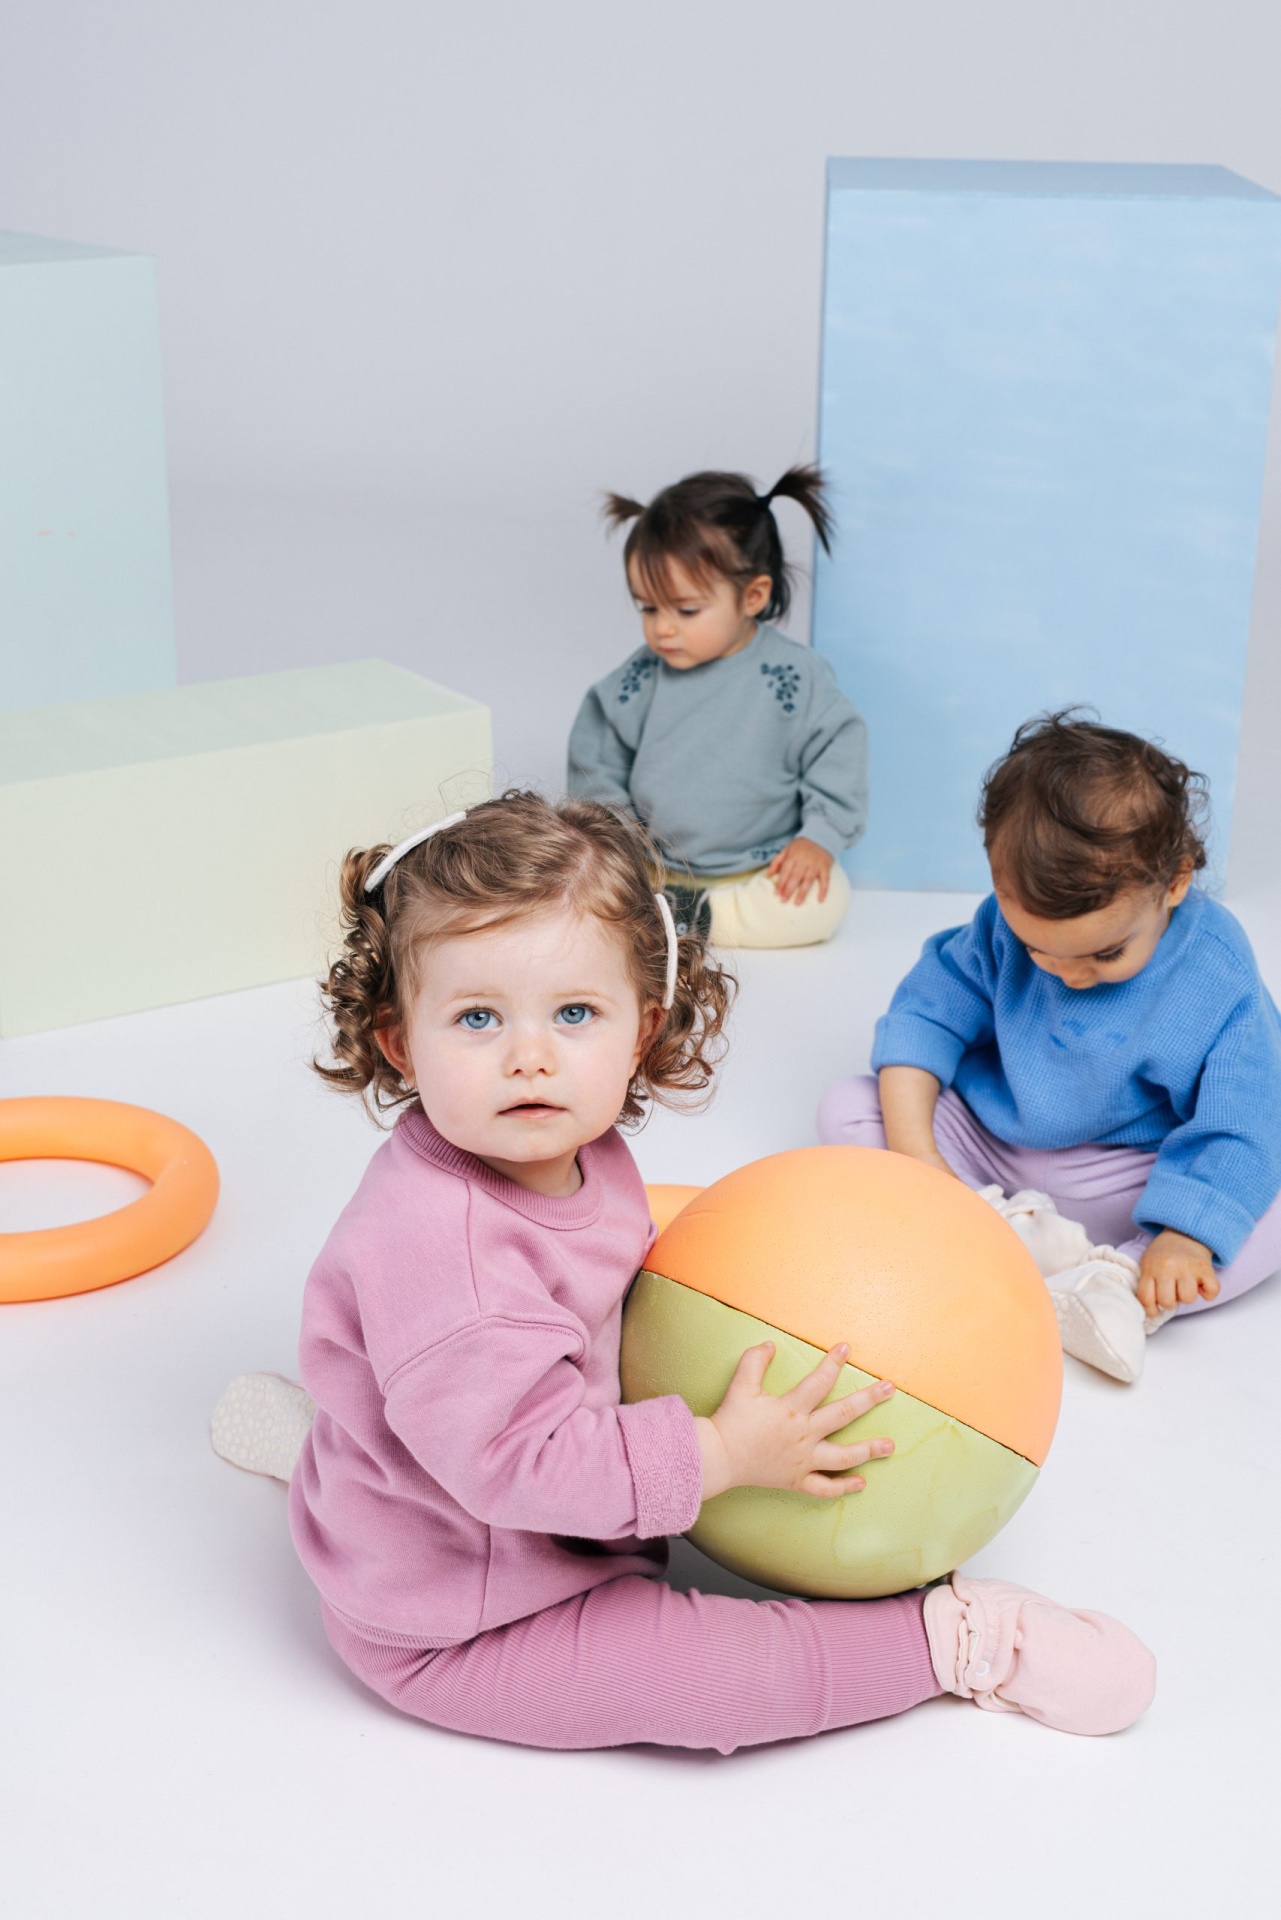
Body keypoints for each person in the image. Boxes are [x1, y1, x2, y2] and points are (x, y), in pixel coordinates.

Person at [213, 792, 1153, 1750]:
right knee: (715, 1687)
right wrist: (723, 1457)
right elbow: (514, 1465)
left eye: (573, 1012)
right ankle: (961, 1644)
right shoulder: (446, 1256)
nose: (529, 1058)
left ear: (642, 1029)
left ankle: (348, 1448)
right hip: (467, 1614)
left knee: (441, 1409)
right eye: (477, 1017)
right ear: (398, 1042)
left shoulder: (569, 1147)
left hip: (521, 1497)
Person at [818, 713, 1281, 1385]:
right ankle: (996, 1230)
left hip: (1128, 1177)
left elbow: (1240, 1117)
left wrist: (1186, 1236)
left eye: (1104, 952)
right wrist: (921, 1157)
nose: (1067, 973)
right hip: (996, 1149)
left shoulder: (1215, 975)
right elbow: (926, 1016)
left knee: (1257, 1201)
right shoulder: (1000, 928)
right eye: (1039, 948)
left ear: (1174, 882)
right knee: (849, 1107)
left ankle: (1117, 1279)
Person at [567, 466, 867, 949]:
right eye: (648, 608)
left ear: (753, 596)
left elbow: (838, 754)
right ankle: (663, 909)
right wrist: (616, 837)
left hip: (761, 865)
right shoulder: (639, 679)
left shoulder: (794, 676)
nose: (662, 629)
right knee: (584, 885)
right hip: (656, 863)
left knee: (822, 904)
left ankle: (698, 920)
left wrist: (818, 838)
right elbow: (596, 759)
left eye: (685, 611)